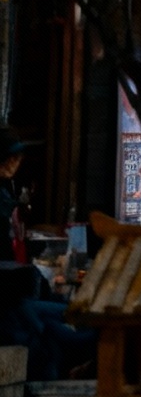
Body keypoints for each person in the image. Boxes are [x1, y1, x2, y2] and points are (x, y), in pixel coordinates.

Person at [0, 132, 89, 380]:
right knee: (47, 329)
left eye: (16, 159)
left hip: (16, 294)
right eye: (8, 159)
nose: (13, 165)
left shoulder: (8, 193)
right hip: (10, 301)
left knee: (60, 318)